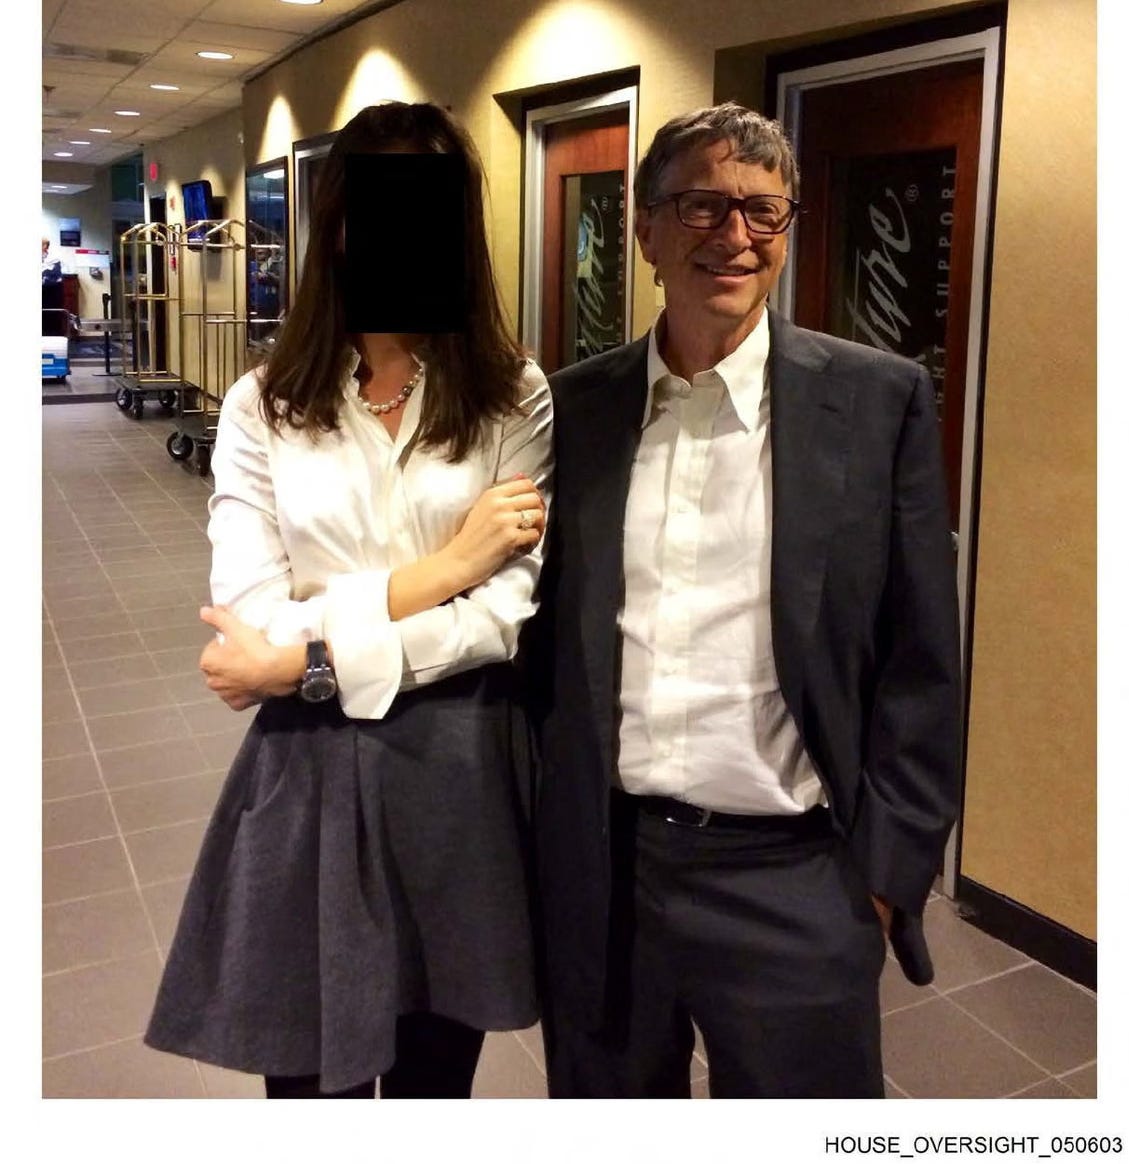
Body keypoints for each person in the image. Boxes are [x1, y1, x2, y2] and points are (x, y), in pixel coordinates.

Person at [523, 102, 961, 1098]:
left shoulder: (877, 400)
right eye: (702, 206)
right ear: (645, 231)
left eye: (764, 211)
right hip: (607, 871)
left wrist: (886, 877)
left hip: (796, 880)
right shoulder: (574, 408)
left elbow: (922, 657)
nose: (735, 236)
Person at [144, 102, 553, 1099]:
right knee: (306, 1084)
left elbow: (502, 618)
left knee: (430, 1087)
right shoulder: (263, 403)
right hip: (307, 764)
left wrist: (303, 661)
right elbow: (251, 613)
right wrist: (443, 571)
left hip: (456, 765)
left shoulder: (514, 395)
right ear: (335, 229)